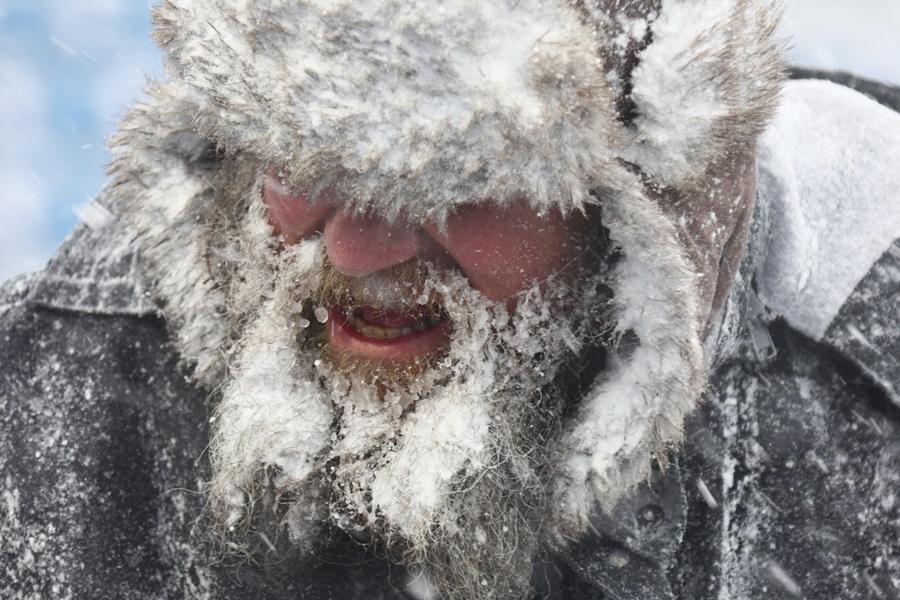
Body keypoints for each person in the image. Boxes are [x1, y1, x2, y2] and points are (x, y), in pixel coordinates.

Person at [2, 1, 899, 598]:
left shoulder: (864, 413)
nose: (356, 247)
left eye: (458, 186)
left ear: (644, 202)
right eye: (305, 166)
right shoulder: (45, 406)